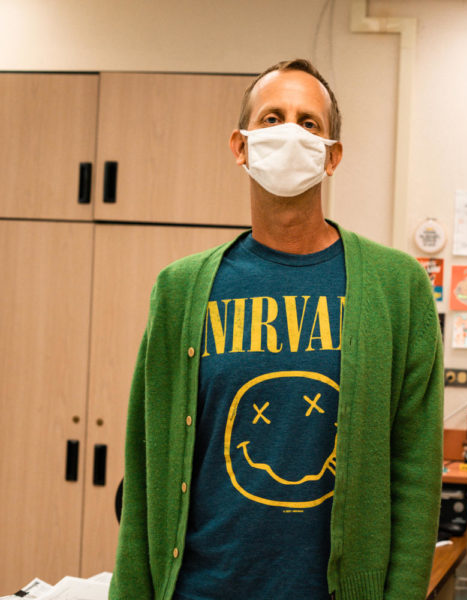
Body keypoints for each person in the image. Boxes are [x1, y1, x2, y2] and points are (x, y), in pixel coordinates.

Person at [109, 59, 444, 600]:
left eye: (309, 123)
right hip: (201, 587)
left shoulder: (396, 287)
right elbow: (146, 467)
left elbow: (415, 474)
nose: (290, 132)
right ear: (241, 146)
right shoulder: (180, 289)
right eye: (271, 118)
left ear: (332, 156)